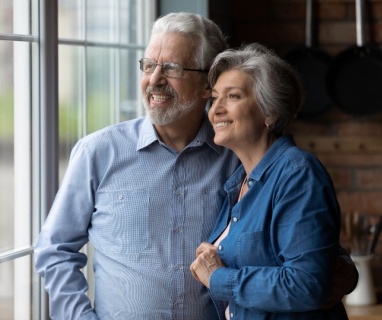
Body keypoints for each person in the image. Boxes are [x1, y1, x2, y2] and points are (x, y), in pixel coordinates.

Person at [34, 13, 356, 320]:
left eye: (171, 67)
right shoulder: (98, 153)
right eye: (149, 65)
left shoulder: (241, 159)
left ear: (206, 84)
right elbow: (55, 250)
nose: (154, 79)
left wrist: (336, 273)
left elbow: (312, 249)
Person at [190, 43, 351, 319]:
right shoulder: (238, 181)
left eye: (233, 96)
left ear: (270, 113)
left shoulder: (297, 173)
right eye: (214, 98)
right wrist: (217, 254)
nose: (215, 110)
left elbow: (306, 285)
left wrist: (218, 277)